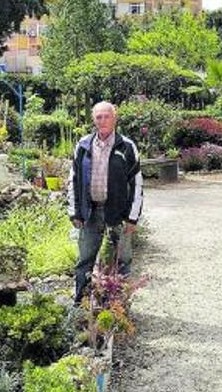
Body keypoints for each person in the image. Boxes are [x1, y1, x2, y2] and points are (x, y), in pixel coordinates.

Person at [68, 101, 143, 305]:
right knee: (84, 261)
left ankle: (119, 305)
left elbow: (136, 183)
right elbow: (73, 179)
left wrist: (132, 217)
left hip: (118, 215)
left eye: (106, 116)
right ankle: (81, 304)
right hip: (90, 213)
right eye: (98, 117)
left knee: (122, 261)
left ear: (114, 118)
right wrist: (75, 212)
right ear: (93, 119)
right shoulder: (83, 145)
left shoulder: (127, 147)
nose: (102, 120)